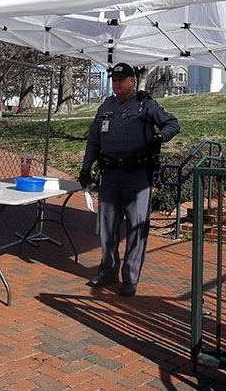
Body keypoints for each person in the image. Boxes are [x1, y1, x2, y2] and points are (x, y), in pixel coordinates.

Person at [79, 62, 180, 297]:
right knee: (107, 228)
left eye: (121, 79)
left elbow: (172, 123)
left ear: (132, 82)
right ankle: (108, 271)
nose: (116, 83)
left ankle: (131, 278)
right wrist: (86, 169)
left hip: (137, 175)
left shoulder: (145, 103)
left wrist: (160, 138)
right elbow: (94, 141)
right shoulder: (106, 106)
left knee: (136, 226)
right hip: (111, 175)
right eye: (113, 79)